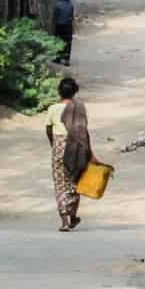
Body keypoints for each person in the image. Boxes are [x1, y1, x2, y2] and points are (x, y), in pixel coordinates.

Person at [45, 77, 94, 231]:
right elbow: (83, 131)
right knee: (74, 182)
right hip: (76, 147)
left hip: (59, 147)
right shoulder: (79, 107)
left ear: (59, 91)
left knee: (60, 184)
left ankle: (65, 221)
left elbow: (48, 129)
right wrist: (89, 151)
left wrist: (53, 144)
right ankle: (73, 216)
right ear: (75, 91)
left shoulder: (53, 108)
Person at [51, 0, 75, 64]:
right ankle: (67, 60)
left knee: (58, 41)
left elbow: (54, 18)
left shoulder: (57, 5)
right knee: (68, 42)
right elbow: (72, 17)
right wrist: (73, 28)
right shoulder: (71, 5)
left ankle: (58, 58)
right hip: (68, 26)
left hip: (59, 26)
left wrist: (53, 27)